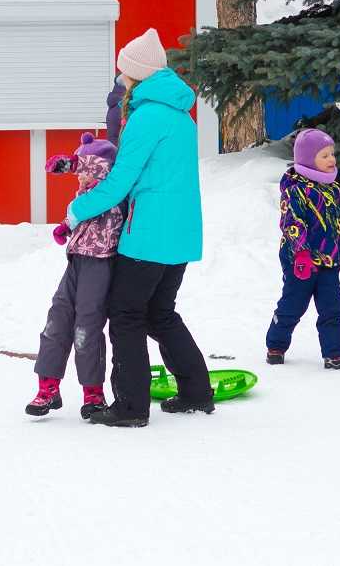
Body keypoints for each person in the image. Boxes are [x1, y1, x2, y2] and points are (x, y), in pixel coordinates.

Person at [65, 27, 213, 427]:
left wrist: (78, 209)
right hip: (181, 233)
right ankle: (197, 392)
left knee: (127, 314)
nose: (120, 79)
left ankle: (130, 406)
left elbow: (121, 181)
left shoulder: (147, 116)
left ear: (138, 74)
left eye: (124, 72)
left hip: (148, 234)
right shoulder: (181, 115)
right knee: (160, 313)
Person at [26, 133, 124, 419]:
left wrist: (71, 162)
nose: (81, 178)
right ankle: (48, 388)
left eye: (84, 170)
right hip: (76, 262)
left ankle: (92, 393)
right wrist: (66, 228)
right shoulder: (86, 196)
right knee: (57, 321)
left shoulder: (111, 188)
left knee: (87, 326)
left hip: (101, 264)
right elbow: (82, 216)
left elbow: (98, 168)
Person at [265, 128, 340, 369]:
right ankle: (276, 345)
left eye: (332, 154)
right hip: (299, 260)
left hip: (328, 259)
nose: (332, 160)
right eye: (324, 156)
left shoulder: (333, 188)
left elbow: (337, 223)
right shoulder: (296, 189)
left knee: (332, 307)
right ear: (307, 159)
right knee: (293, 305)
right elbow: (291, 222)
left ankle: (334, 354)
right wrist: (301, 253)